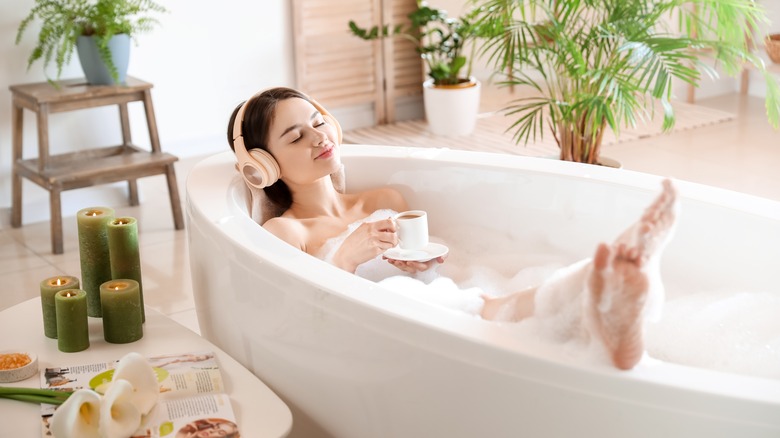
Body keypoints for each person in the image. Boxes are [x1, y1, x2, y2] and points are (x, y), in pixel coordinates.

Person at [227, 87, 678, 370]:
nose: (319, 137)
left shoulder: (385, 201)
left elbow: (444, 276)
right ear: (264, 166)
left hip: (443, 305)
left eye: (319, 123)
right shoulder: (289, 234)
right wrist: (344, 256)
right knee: (489, 308)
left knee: (488, 303)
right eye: (295, 137)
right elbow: (300, 323)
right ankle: (603, 290)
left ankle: (606, 302)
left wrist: (428, 263)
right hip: (389, 341)